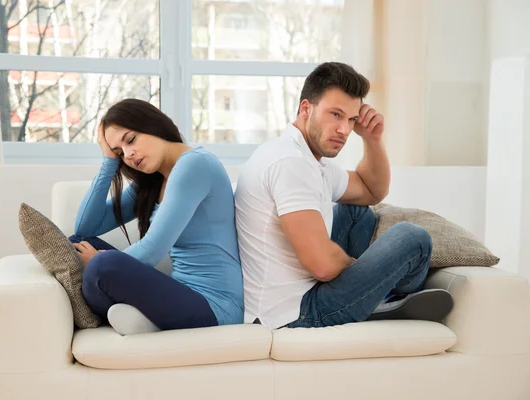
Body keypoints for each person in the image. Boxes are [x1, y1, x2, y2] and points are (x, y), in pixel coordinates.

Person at [234, 62, 453, 330]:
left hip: (298, 296)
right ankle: (382, 299)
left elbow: (371, 190)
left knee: (355, 212)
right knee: (414, 238)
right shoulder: (290, 163)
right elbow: (322, 266)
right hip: (295, 313)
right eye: (335, 114)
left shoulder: (307, 159)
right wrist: (369, 270)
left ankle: (374, 297)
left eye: (351, 119)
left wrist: (372, 139)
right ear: (306, 108)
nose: (345, 130)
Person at [70, 98, 243, 335]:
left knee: (103, 265)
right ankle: (144, 318)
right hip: (181, 292)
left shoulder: (195, 164)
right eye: (120, 152)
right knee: (76, 243)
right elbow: (85, 227)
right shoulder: (153, 180)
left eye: (131, 140)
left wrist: (99, 263)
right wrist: (108, 162)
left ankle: (141, 318)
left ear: (154, 125)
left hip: (215, 305)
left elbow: (152, 250)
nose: (128, 155)